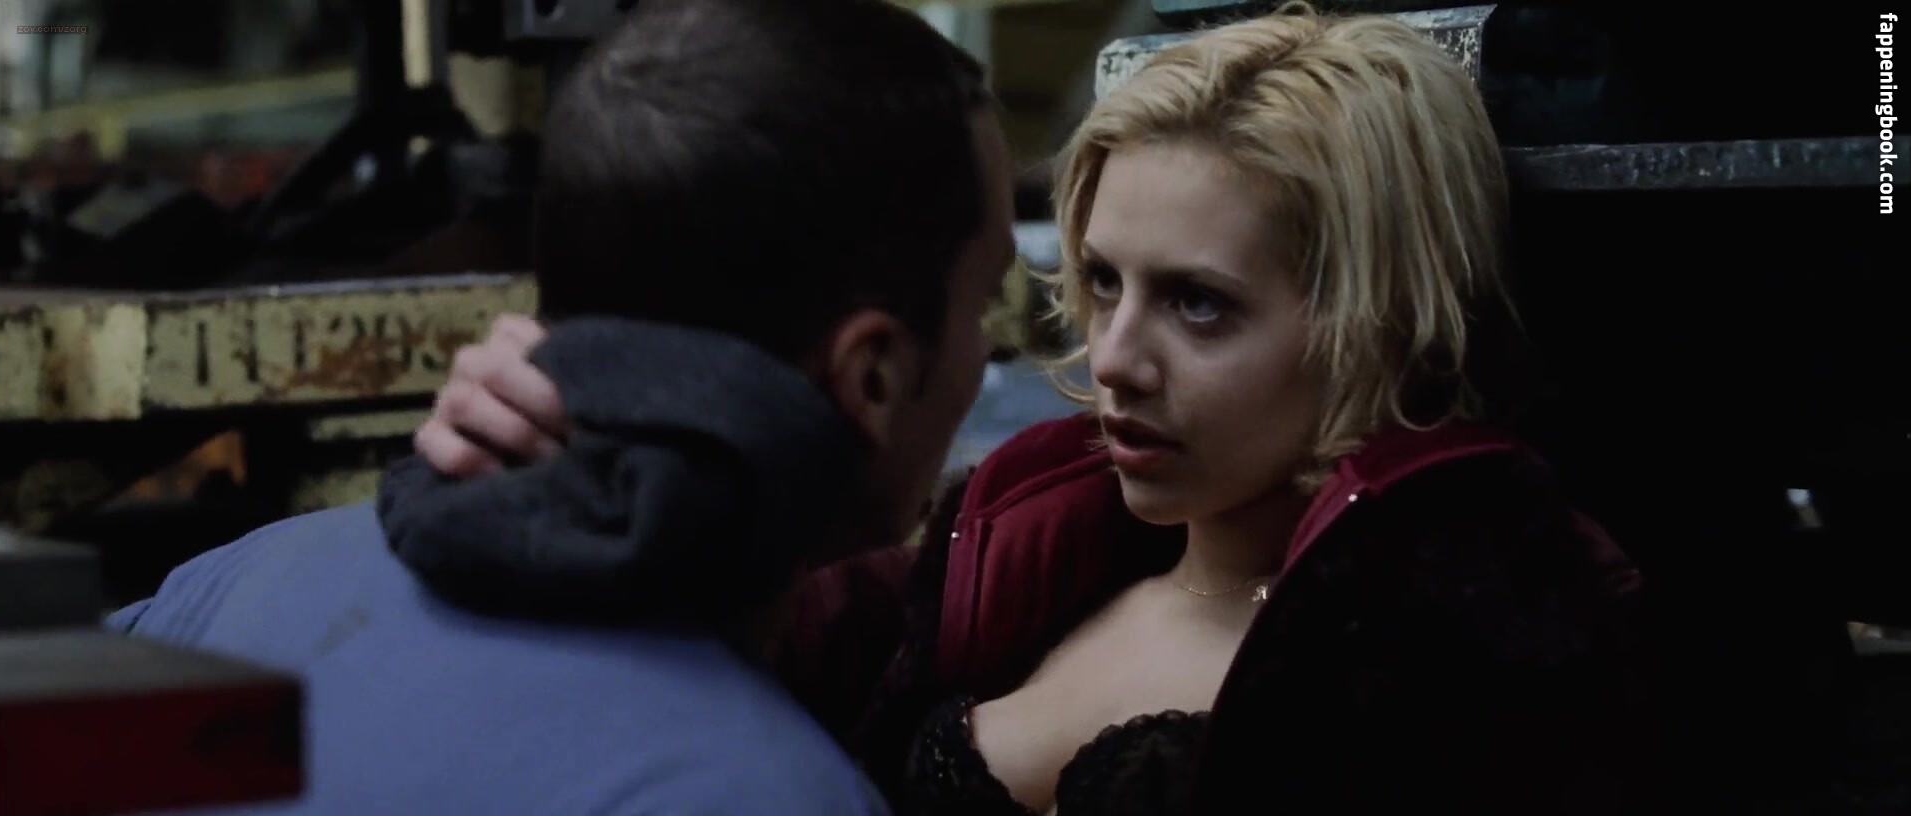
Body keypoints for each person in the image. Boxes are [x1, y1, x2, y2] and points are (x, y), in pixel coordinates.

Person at [415, 4, 1653, 814]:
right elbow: (686, 645)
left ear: (1378, 316)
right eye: (1103, 282)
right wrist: (551, 440)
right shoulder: (1019, 541)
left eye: (1201, 305)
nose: (1115, 358)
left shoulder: (1481, 629)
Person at [103, 0, 1018, 813]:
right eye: (983, 305)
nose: (990, 350)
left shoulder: (229, 588)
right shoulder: (764, 790)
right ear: (873, 376)